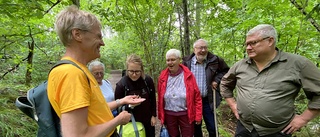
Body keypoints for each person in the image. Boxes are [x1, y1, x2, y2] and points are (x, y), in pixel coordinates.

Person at [47, 5, 144, 137]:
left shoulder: (80, 69)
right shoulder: (71, 74)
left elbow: (94, 110)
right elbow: (77, 135)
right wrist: (118, 120)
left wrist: (122, 101)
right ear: (78, 34)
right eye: (98, 36)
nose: (102, 43)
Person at [220, 24, 320, 137]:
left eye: (253, 43)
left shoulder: (298, 64)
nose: (248, 48)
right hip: (244, 128)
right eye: (247, 44)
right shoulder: (240, 65)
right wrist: (233, 105)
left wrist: (303, 119)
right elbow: (225, 84)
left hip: (277, 131)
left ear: (270, 41)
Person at [182, 39, 230, 137]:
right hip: (193, 101)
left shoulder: (215, 60)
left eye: (205, 47)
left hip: (208, 100)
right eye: (200, 48)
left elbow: (226, 71)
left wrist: (216, 80)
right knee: (196, 128)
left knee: (213, 128)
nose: (203, 50)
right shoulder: (186, 62)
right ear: (194, 49)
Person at [158, 49, 203, 137]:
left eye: (173, 60)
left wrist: (198, 116)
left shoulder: (188, 75)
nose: (170, 62)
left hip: (186, 114)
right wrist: (161, 116)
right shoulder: (162, 76)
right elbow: (160, 98)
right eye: (168, 60)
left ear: (179, 60)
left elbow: (197, 97)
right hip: (169, 114)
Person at [114, 54, 157, 137]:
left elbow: (152, 99)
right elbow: (118, 108)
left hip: (147, 120)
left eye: (137, 71)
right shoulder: (121, 85)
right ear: (127, 70)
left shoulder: (147, 81)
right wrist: (130, 105)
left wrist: (153, 115)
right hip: (131, 123)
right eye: (131, 71)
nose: (134, 74)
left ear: (142, 70)